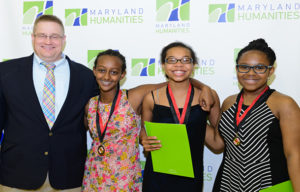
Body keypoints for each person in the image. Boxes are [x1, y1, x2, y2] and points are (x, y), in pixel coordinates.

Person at [81, 49, 214, 191]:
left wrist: (204, 87)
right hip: (94, 176)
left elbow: (177, 80)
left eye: (113, 72)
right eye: (101, 70)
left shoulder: (133, 97)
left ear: (122, 74)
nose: (107, 77)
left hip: (125, 179)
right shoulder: (90, 104)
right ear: (94, 71)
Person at [0, 15, 98, 191]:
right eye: (42, 35)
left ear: (63, 39)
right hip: (16, 175)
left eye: (54, 36)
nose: (48, 41)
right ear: (33, 38)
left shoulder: (86, 76)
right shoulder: (5, 72)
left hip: (69, 176)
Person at [212, 39, 300, 191]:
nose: (250, 73)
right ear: (237, 69)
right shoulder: (229, 102)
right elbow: (217, 144)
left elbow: (294, 155)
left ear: (270, 71)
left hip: (268, 184)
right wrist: (194, 115)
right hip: (228, 183)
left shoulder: (284, 104)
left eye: (259, 68)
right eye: (244, 67)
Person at [140, 42, 220, 192]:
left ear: (194, 64)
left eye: (185, 60)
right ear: (163, 65)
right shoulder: (152, 98)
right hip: (157, 174)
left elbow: (220, 138)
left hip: (191, 176)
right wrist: (144, 139)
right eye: (171, 60)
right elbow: (143, 131)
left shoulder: (207, 96)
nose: (178, 65)